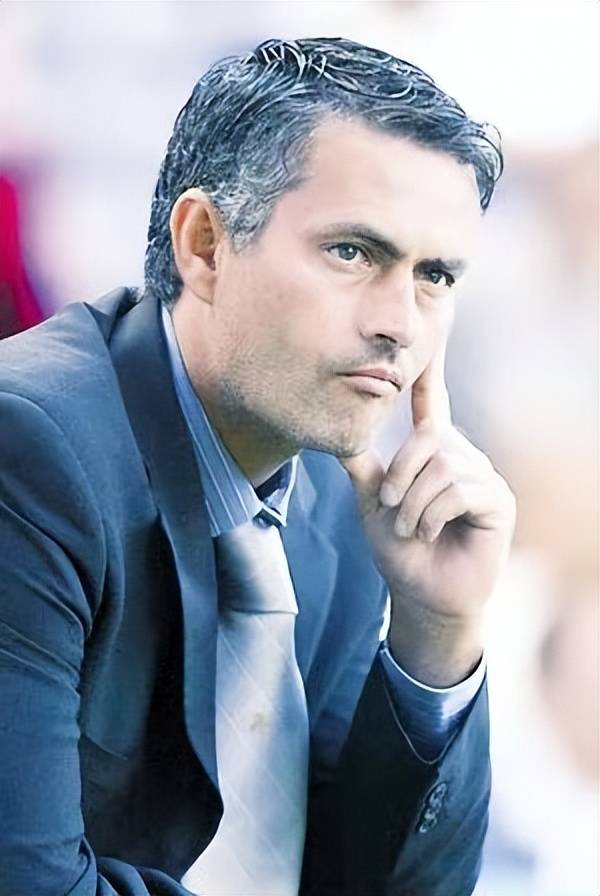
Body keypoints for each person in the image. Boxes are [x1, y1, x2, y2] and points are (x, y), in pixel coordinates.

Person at [0, 37, 515, 896]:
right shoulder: (27, 451)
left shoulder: (345, 501)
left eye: (434, 275)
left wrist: (438, 633)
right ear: (204, 244)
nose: (399, 323)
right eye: (352, 252)